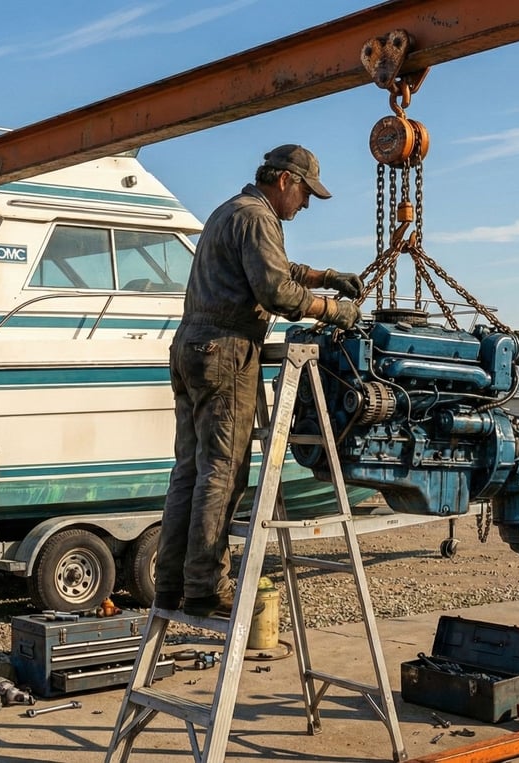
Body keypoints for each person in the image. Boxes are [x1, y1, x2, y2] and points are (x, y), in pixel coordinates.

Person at [153, 144, 363, 617]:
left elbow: (276, 270)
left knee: (189, 470)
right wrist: (336, 309)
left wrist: (326, 276)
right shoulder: (258, 217)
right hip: (225, 350)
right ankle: (206, 587)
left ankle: (170, 584)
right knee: (223, 472)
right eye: (305, 193)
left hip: (190, 346)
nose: (305, 204)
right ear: (285, 180)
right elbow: (275, 290)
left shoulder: (230, 212)